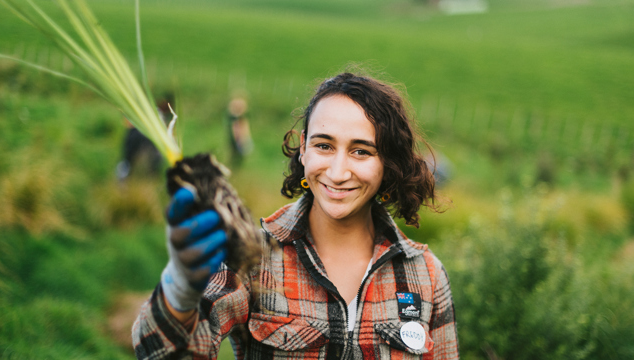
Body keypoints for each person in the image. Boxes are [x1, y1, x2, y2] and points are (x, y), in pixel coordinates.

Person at [132, 73, 459, 359]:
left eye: (361, 151)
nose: (338, 171)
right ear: (303, 149)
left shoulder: (425, 276)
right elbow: (164, 352)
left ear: (386, 161)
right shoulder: (254, 258)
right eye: (324, 146)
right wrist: (180, 290)